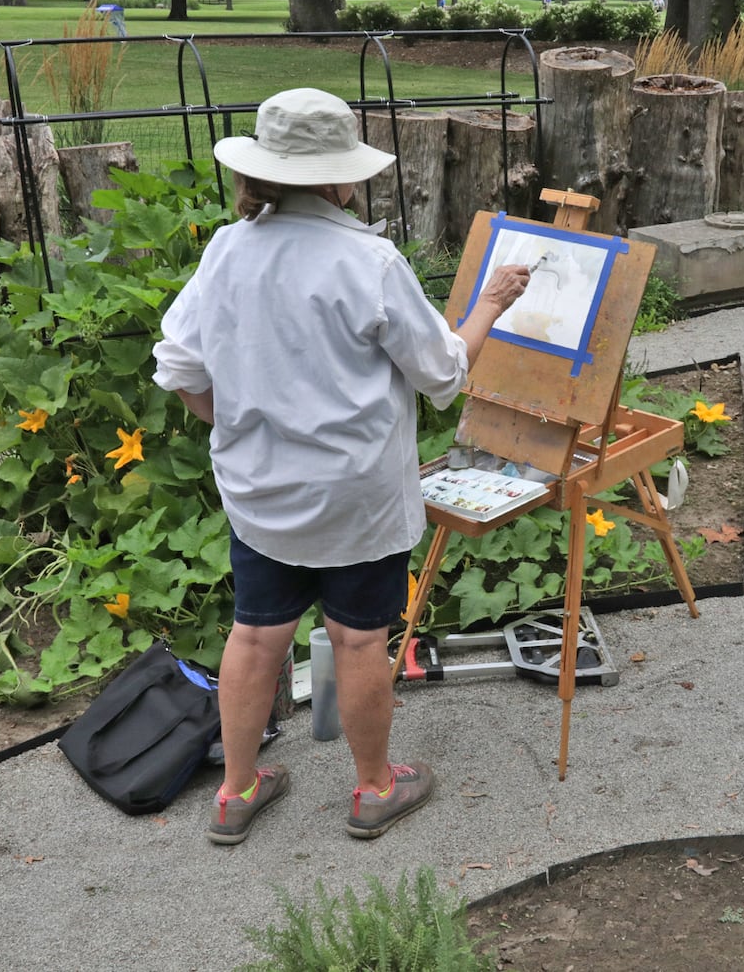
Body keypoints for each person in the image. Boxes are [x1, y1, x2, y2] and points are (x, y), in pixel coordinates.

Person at [152, 88, 531, 846]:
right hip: (358, 498)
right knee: (360, 641)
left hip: (261, 493)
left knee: (256, 635)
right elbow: (442, 374)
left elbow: (181, 370)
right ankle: (373, 789)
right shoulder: (369, 259)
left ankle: (233, 793)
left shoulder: (227, 249)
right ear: (341, 179)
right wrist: (490, 304)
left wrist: (230, 420)